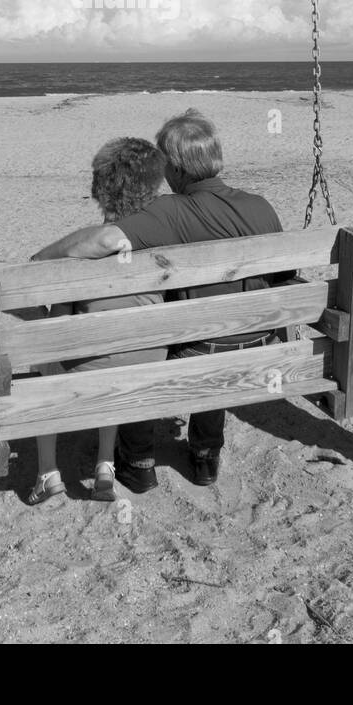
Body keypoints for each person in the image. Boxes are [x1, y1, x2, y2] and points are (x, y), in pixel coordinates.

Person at [33, 110, 290, 489]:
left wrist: (41, 259)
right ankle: (205, 456)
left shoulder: (171, 211)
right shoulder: (261, 206)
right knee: (218, 334)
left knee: (147, 339)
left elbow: (105, 240)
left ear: (176, 168)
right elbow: (283, 279)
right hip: (257, 346)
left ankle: (138, 462)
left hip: (197, 349)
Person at [27, 136, 169, 505]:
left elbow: (56, 323)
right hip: (148, 359)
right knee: (119, 345)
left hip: (93, 366)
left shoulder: (83, 252)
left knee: (47, 353)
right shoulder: (165, 237)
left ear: (100, 189)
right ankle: (105, 465)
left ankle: (47, 472)